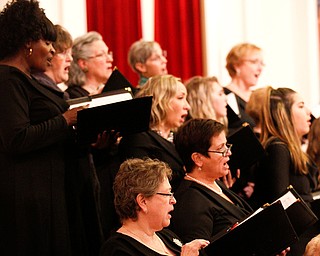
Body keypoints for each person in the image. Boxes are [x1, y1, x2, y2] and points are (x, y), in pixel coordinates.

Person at [0, 0, 87, 254]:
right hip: (26, 200)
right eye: (46, 43)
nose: (51, 51)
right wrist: (66, 120)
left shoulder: (24, 79)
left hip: (46, 192)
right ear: (28, 42)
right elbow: (16, 138)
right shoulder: (7, 80)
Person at [170, 118, 290, 256]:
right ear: (198, 158)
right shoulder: (190, 203)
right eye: (221, 150)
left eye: (227, 146)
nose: (229, 153)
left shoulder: (216, 183)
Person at [251, 86, 319, 255]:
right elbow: (280, 203)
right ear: (284, 114)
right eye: (301, 106)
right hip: (294, 243)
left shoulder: (290, 149)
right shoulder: (278, 149)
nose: (309, 113)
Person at [99, 158, 210, 256]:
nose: (173, 200)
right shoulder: (117, 250)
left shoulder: (166, 235)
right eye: (167, 194)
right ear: (143, 201)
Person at [119, 74, 190, 191]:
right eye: (180, 98)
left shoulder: (180, 138)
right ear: (161, 100)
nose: (187, 106)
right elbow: (143, 186)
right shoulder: (137, 140)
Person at [224, 42, 264, 134]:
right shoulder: (224, 96)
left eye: (262, 63)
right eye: (254, 62)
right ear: (236, 65)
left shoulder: (259, 97)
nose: (260, 68)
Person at [66, 31, 113, 98]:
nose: (110, 59)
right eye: (101, 55)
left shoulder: (110, 91)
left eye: (108, 53)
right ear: (83, 63)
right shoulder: (73, 97)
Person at [32, 24, 73, 100]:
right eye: (63, 53)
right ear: (49, 54)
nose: (70, 59)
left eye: (70, 54)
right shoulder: (41, 90)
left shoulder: (55, 92)